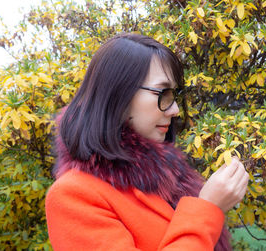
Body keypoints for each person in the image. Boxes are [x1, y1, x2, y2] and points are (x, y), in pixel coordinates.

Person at [45, 33, 249, 250]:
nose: (175, 110)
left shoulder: (165, 180)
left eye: (175, 95)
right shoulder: (73, 196)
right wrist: (208, 207)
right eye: (163, 93)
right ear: (118, 95)